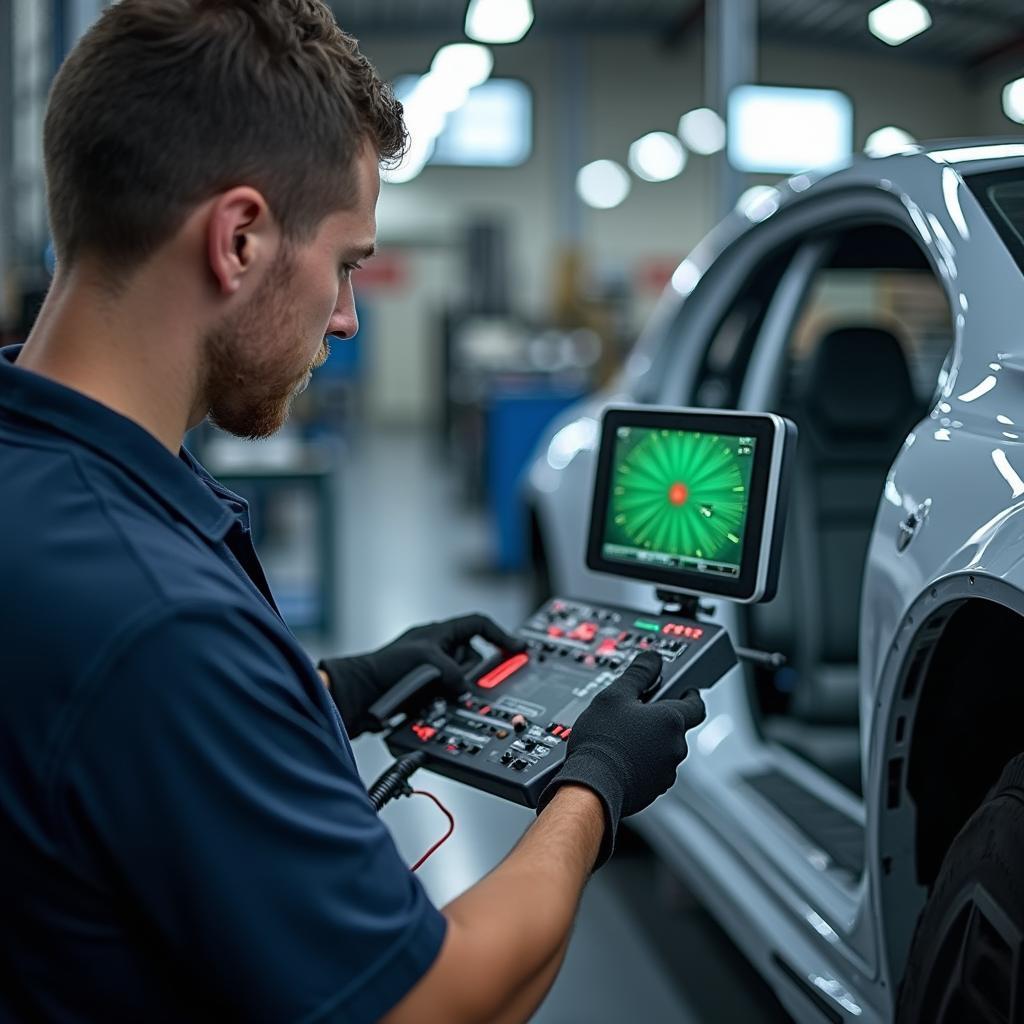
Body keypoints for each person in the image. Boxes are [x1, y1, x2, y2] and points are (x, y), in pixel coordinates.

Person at [0, 2, 707, 1021]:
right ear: (238, 237)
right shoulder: (160, 620)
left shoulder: (47, 484)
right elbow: (432, 1003)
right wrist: (593, 786)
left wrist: (321, 692)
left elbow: (98, 755)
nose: (345, 314)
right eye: (343, 263)